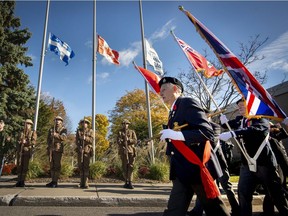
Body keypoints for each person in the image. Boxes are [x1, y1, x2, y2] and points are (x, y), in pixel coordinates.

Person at [158, 76, 230, 216]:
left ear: (175, 89)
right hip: (182, 170)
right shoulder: (173, 111)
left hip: (195, 168)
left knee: (215, 210)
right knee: (174, 211)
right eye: (160, 90)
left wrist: (175, 135)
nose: (160, 93)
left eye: (164, 89)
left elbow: (206, 132)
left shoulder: (187, 103)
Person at [219, 98, 288, 216]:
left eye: (243, 106)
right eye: (239, 106)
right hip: (247, 164)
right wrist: (223, 122)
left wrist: (233, 133)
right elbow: (227, 126)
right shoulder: (240, 120)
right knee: (243, 193)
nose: (240, 108)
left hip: (264, 163)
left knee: (276, 193)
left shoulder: (261, 119)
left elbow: (256, 130)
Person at [188, 110, 240, 216]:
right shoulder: (198, 127)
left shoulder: (214, 126)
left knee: (227, 186)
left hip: (218, 162)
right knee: (205, 186)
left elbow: (209, 137)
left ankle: (236, 208)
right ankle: (197, 211)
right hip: (207, 163)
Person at [261, 123, 288, 216]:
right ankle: (270, 210)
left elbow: (284, 135)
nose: (271, 128)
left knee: (279, 188)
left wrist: (280, 127)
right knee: (275, 189)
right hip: (275, 165)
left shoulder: (275, 136)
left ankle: (270, 210)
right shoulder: (267, 137)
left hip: (282, 164)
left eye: (272, 127)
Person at [46, 116, 67, 188]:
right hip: (51, 149)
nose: (57, 121)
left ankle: (55, 181)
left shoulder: (63, 129)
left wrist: (56, 135)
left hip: (58, 149)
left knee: (57, 166)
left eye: (59, 120)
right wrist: (49, 146)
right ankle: (52, 181)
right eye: (56, 120)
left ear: (61, 121)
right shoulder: (51, 129)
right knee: (51, 165)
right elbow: (48, 139)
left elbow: (63, 138)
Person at [15, 119, 37, 187]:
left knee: (25, 166)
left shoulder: (33, 132)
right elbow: (17, 140)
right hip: (20, 151)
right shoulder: (21, 132)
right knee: (19, 166)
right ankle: (18, 180)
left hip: (27, 151)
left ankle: (22, 181)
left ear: (30, 125)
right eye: (26, 123)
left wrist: (27, 142)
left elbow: (34, 142)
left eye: (28, 124)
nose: (27, 125)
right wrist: (20, 142)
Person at [117, 119, 137, 189]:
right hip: (123, 151)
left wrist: (128, 140)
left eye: (126, 124)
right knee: (125, 167)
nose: (125, 125)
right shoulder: (119, 132)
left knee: (131, 166)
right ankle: (126, 181)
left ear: (128, 125)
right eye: (124, 124)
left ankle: (130, 182)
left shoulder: (132, 132)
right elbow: (118, 141)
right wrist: (123, 141)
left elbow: (135, 140)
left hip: (131, 150)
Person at [75, 118, 94, 189]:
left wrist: (85, 138)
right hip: (80, 150)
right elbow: (76, 141)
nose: (84, 124)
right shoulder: (78, 131)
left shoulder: (90, 131)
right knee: (80, 166)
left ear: (87, 124)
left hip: (87, 150)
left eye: (85, 123)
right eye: (83, 122)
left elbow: (91, 140)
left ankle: (86, 182)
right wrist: (79, 147)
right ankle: (81, 182)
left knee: (86, 166)